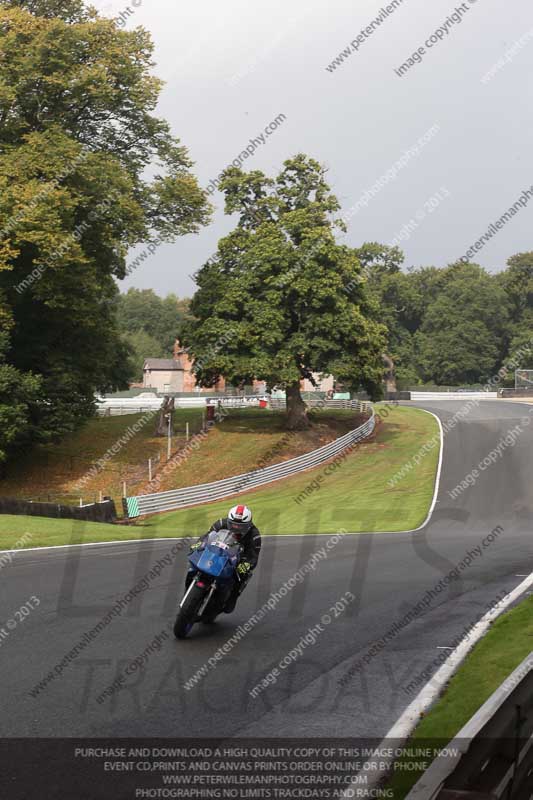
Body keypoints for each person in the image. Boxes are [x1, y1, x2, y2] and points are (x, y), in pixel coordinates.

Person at [187, 505, 261, 614]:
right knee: (194, 563)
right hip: (217, 550)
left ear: (248, 525)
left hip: (239, 557)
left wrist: (247, 564)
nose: (236, 528)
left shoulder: (254, 535)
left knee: (242, 575)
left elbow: (254, 556)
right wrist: (199, 544)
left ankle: (233, 597)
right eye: (233, 524)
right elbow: (207, 536)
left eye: (240, 526)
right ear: (229, 520)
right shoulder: (221, 523)